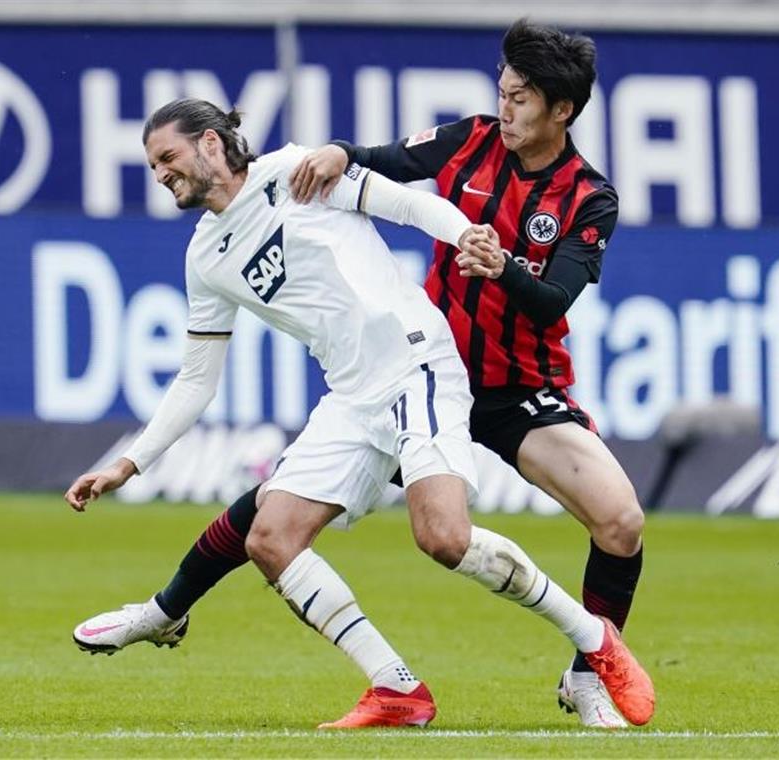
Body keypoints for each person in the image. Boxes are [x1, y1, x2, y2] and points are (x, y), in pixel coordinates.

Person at [65, 96, 654, 729]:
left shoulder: (298, 172)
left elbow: (405, 202)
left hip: (416, 363)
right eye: (154, 165)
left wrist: (464, 234)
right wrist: (129, 463)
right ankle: (396, 688)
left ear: (211, 144)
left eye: (168, 157)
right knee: (270, 537)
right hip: (351, 396)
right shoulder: (204, 258)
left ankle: (595, 642)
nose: (161, 174)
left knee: (443, 537)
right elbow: (195, 379)